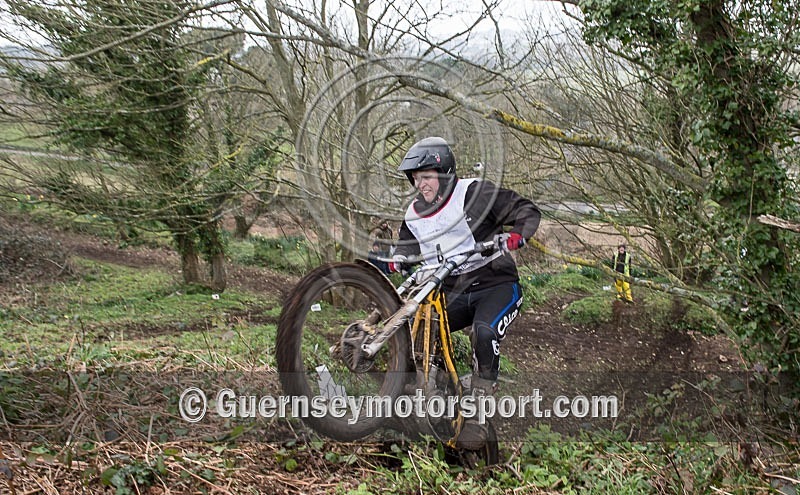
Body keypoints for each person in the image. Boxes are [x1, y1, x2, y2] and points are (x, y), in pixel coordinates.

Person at [389, 136, 541, 450]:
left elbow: (526, 210)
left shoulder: (474, 193)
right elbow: (404, 249)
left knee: (484, 333)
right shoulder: (414, 215)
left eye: (426, 177)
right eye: (416, 180)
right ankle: (425, 396)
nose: (421, 186)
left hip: (496, 286)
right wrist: (395, 259)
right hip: (453, 294)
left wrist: (515, 237)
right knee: (414, 331)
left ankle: (479, 411)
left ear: (444, 172)